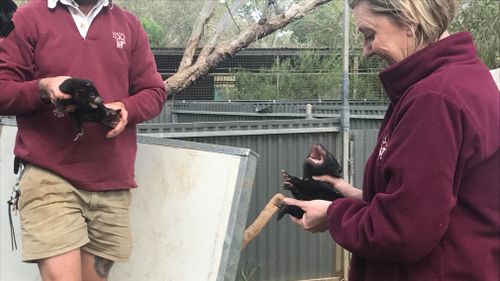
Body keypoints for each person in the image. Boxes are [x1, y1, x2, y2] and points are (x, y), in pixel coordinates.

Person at [283, 0, 499, 280]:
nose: (366, 49)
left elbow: (403, 231)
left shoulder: (434, 100)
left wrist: (333, 215)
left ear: (409, 21)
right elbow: (431, 203)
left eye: (369, 34)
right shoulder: (460, 80)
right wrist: (350, 194)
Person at [0, 0, 167, 280]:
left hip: (111, 179)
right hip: (50, 176)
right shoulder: (29, 18)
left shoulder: (129, 25)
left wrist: (127, 108)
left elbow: (154, 92)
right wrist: (43, 87)